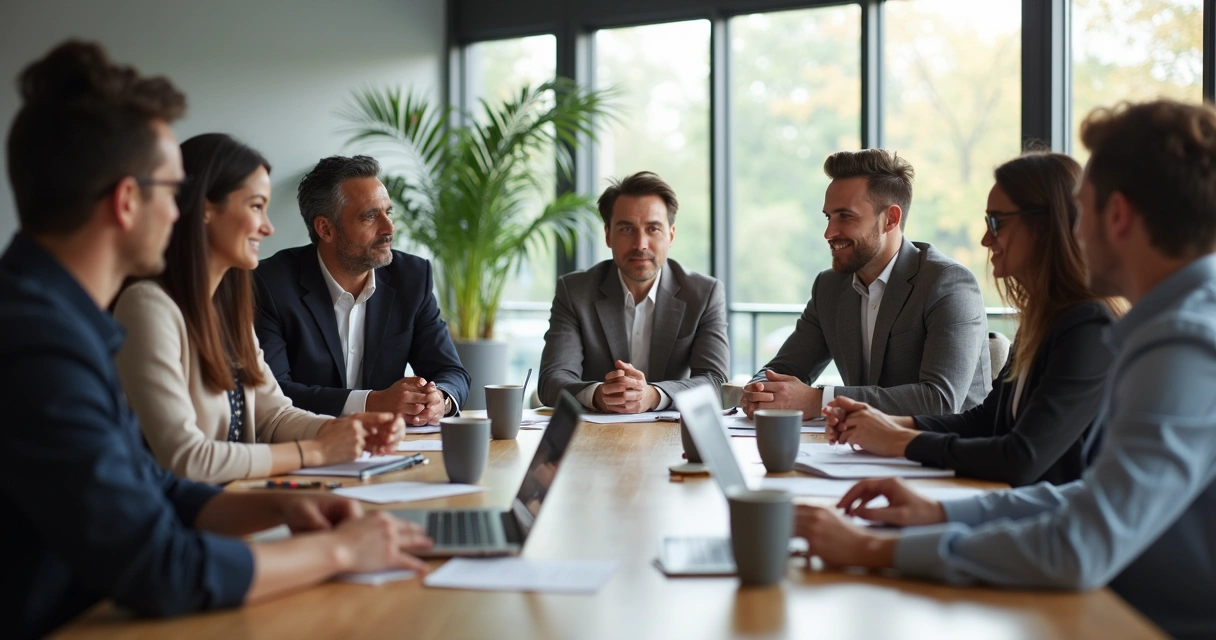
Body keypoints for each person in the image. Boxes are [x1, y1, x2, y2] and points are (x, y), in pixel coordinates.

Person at [0, 41, 431, 640]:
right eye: (171, 192)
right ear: (127, 202)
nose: (180, 212)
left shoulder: (60, 318)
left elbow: (154, 486)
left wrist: (283, 505)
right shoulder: (38, 342)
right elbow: (159, 565)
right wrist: (339, 551)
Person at [793, 99, 1216, 640]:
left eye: (1081, 212)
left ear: (1117, 216)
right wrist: (944, 515)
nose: (1074, 232)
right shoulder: (1168, 328)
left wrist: (874, 548)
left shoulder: (1183, 344)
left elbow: (1076, 544)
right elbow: (1085, 495)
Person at [113, 134, 404, 484]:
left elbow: (274, 416)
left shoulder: (225, 308)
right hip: (188, 513)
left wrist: (347, 430)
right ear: (206, 209)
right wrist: (315, 451)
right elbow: (187, 459)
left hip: (239, 500)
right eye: (255, 207)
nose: (268, 227)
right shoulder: (147, 307)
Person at [820, 152, 1121, 486]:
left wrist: (898, 441)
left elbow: (1021, 458)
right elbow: (985, 422)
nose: (985, 240)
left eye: (997, 222)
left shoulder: (1088, 327)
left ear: (1044, 227)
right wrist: (884, 424)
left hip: (1050, 514)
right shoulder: (1044, 320)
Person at [741, 149, 990, 420]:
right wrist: (760, 391)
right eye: (828, 217)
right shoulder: (829, 287)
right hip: (858, 444)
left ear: (890, 219)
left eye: (845, 216)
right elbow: (781, 370)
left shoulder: (948, 284)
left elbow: (940, 401)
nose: (829, 233)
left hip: (942, 444)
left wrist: (819, 401)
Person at [253, 155, 469, 425]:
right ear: (325, 229)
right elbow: (273, 393)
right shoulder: (270, 284)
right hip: (308, 441)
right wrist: (370, 402)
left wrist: (440, 399)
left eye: (388, 213)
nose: (389, 228)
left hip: (391, 443)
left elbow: (451, 372)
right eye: (370, 216)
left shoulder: (411, 278)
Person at [538, 171, 729, 412]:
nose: (640, 244)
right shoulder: (575, 291)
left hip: (669, 432)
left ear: (671, 235)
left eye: (653, 229)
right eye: (627, 229)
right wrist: (597, 395)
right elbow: (551, 379)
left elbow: (716, 381)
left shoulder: (704, 294)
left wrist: (654, 396)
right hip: (597, 430)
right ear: (608, 235)